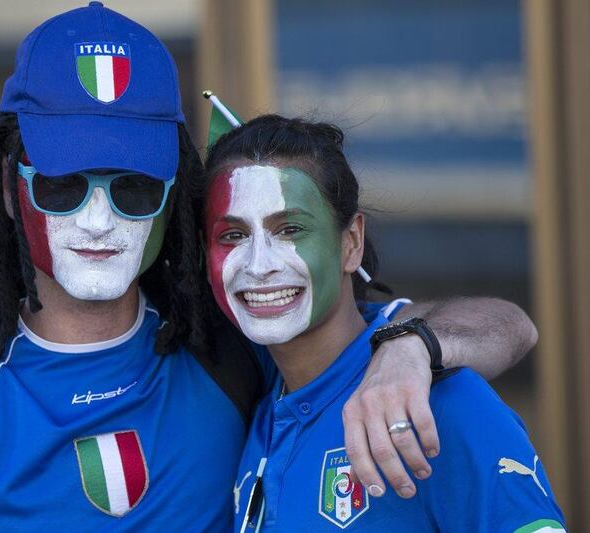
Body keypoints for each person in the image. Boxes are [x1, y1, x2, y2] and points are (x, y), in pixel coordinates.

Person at [0, 4, 537, 532]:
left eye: (133, 187)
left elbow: (504, 324)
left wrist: (411, 351)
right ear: (7, 186)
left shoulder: (237, 345)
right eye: (62, 184)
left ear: (174, 193)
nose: (97, 217)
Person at [200, 114, 564, 532]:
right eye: (232, 235)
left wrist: (410, 346)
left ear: (350, 243)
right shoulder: (261, 412)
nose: (258, 265)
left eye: (290, 229)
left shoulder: (436, 399)